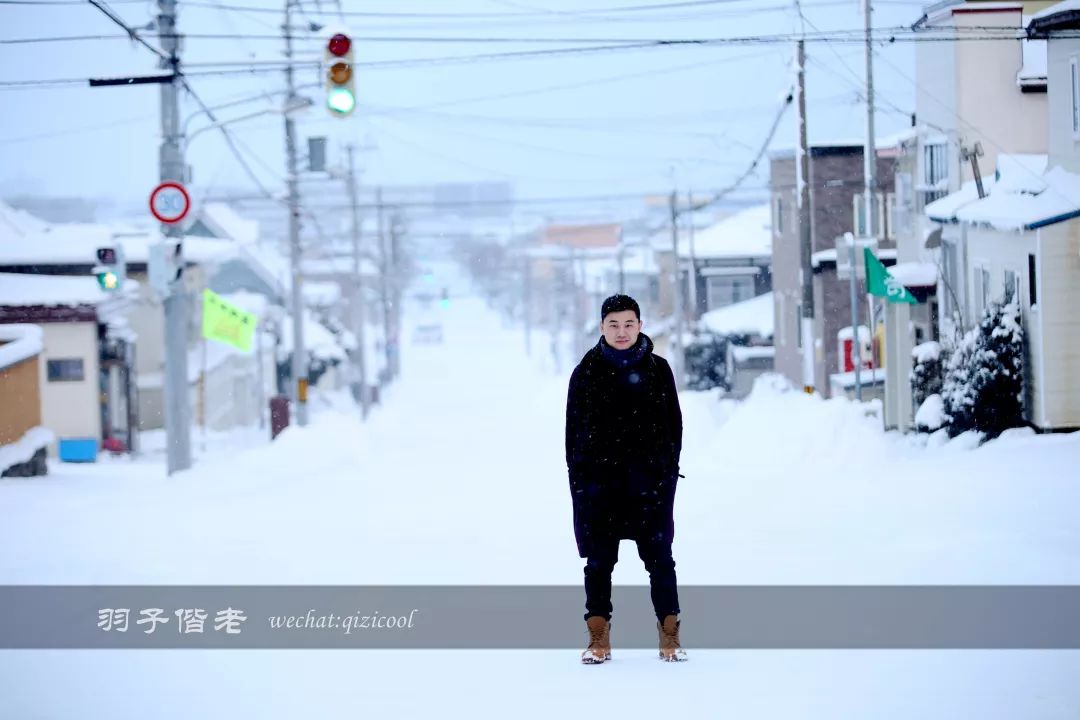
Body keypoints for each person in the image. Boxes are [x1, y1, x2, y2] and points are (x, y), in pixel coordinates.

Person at [565, 294, 686, 664]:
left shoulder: (658, 370)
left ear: (640, 325)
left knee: (661, 561)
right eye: (613, 325)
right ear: (602, 327)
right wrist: (584, 485)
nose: (621, 332)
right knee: (599, 564)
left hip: (650, 487)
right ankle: (598, 638)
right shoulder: (585, 373)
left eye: (628, 324)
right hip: (600, 489)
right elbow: (572, 439)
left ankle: (670, 636)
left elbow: (674, 428)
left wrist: (665, 476)